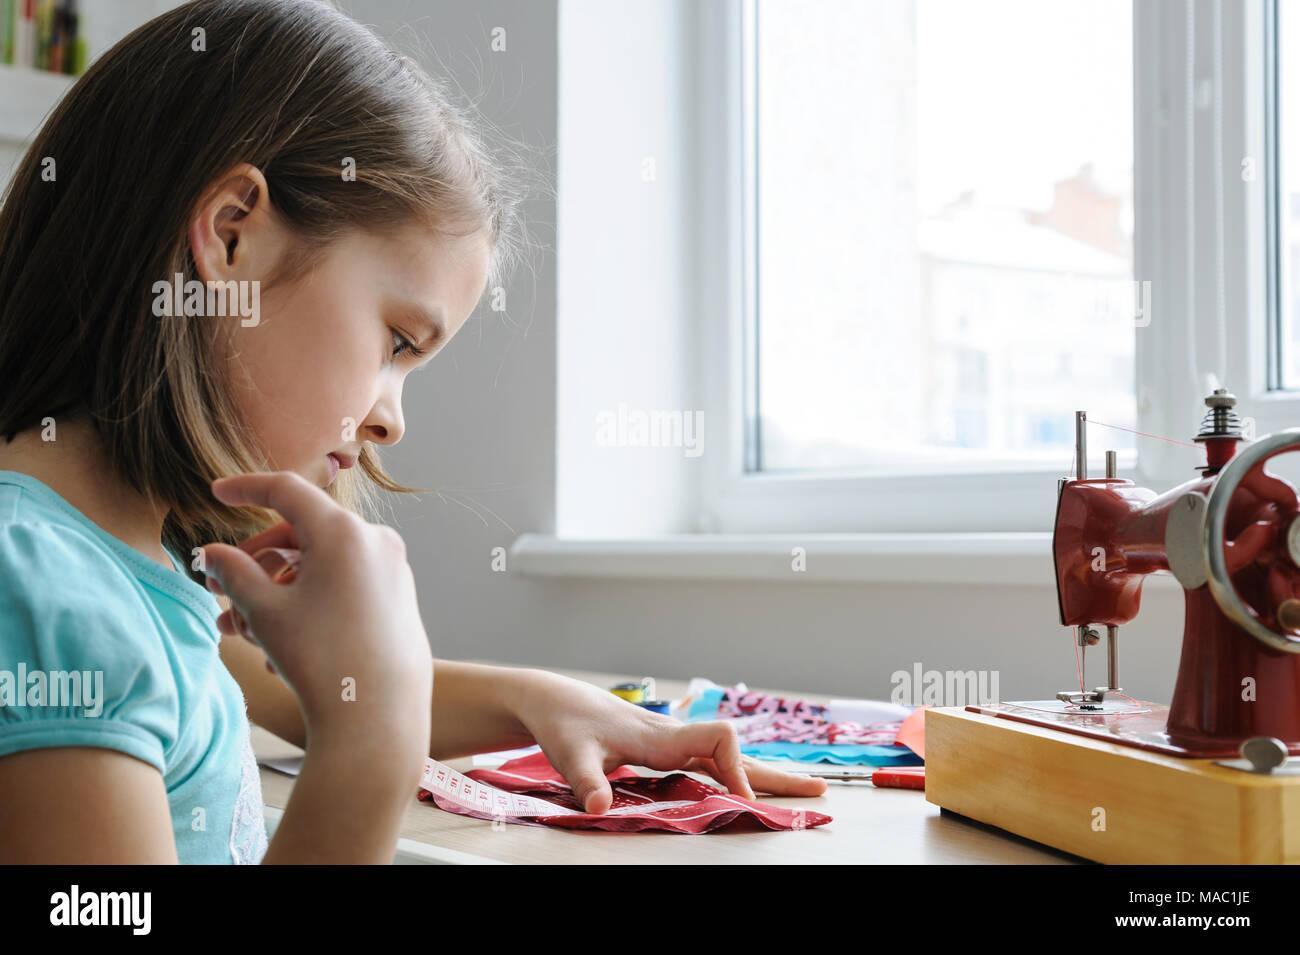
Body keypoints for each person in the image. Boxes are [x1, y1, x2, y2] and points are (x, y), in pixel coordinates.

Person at [0, 0, 825, 864]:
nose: (392, 417)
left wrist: (530, 696)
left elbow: (243, 683)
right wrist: (372, 741)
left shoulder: (111, 573)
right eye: (396, 342)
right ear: (231, 236)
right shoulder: (47, 599)